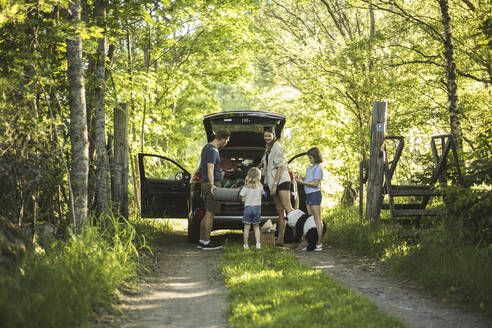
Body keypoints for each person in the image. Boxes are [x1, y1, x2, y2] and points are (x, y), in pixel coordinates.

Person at [258, 127, 294, 246]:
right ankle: (280, 239)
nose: (267, 138)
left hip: (281, 181)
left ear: (273, 135)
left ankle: (297, 237)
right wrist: (254, 169)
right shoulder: (268, 148)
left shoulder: (277, 147)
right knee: (280, 211)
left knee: (288, 210)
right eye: (265, 136)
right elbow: (263, 163)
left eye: (269, 136)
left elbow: (280, 167)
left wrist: (275, 185)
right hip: (272, 182)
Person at [197, 129, 231, 250]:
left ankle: (202, 241)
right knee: (210, 214)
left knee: (207, 213)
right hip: (211, 184)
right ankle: (206, 242)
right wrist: (212, 185)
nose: (226, 143)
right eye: (227, 141)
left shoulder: (206, 147)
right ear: (223, 138)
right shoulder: (212, 150)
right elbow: (210, 168)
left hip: (205, 183)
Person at [295, 147, 324, 251]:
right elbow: (308, 180)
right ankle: (311, 243)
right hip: (308, 195)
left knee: (317, 219)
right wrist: (300, 178)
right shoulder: (309, 168)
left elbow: (315, 184)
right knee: (311, 219)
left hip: (315, 194)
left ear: (316, 157)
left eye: (311, 157)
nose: (309, 159)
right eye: (309, 157)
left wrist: (302, 182)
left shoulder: (318, 169)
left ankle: (319, 243)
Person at [240, 167, 263, 250]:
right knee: (256, 227)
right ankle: (258, 244)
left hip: (248, 208)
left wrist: (246, 200)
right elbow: (262, 195)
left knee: (246, 227)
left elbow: (243, 199)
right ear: (258, 176)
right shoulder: (260, 186)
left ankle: (246, 245)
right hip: (257, 208)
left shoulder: (246, 187)